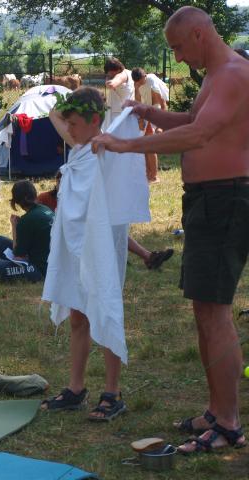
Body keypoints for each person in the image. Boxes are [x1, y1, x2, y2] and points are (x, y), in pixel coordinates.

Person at [92, 6, 249, 453]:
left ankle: (229, 423)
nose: (177, 58)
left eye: (178, 47)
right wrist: (148, 112)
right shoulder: (216, 75)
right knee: (204, 310)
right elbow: (192, 123)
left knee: (215, 312)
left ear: (199, 34)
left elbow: (199, 137)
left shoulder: (234, 74)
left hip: (225, 200)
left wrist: (126, 145)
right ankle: (216, 411)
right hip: (208, 200)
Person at [42, 87, 149, 421]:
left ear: (94, 120)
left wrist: (125, 116)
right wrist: (63, 100)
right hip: (76, 243)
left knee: (104, 308)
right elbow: (55, 116)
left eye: (75, 123)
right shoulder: (79, 146)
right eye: (69, 124)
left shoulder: (107, 149)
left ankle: (112, 393)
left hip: (102, 242)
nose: (69, 130)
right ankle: (76, 388)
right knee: (78, 315)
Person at [40, 170, 173, 270]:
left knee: (113, 228)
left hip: (83, 236)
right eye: (59, 181)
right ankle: (147, 256)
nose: (62, 184)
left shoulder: (80, 200)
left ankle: (148, 256)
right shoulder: (45, 198)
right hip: (58, 239)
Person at [131, 68, 170, 182]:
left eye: (140, 82)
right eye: (136, 83)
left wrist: (161, 125)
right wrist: (140, 120)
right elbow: (138, 102)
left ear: (144, 76)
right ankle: (148, 174)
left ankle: (153, 176)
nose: (138, 85)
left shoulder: (151, 82)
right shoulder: (137, 83)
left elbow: (163, 104)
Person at [103, 57, 134, 129]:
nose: (110, 75)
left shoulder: (122, 75)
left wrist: (109, 82)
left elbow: (113, 83)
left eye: (111, 73)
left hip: (120, 115)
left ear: (118, 69)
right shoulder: (129, 72)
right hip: (120, 112)